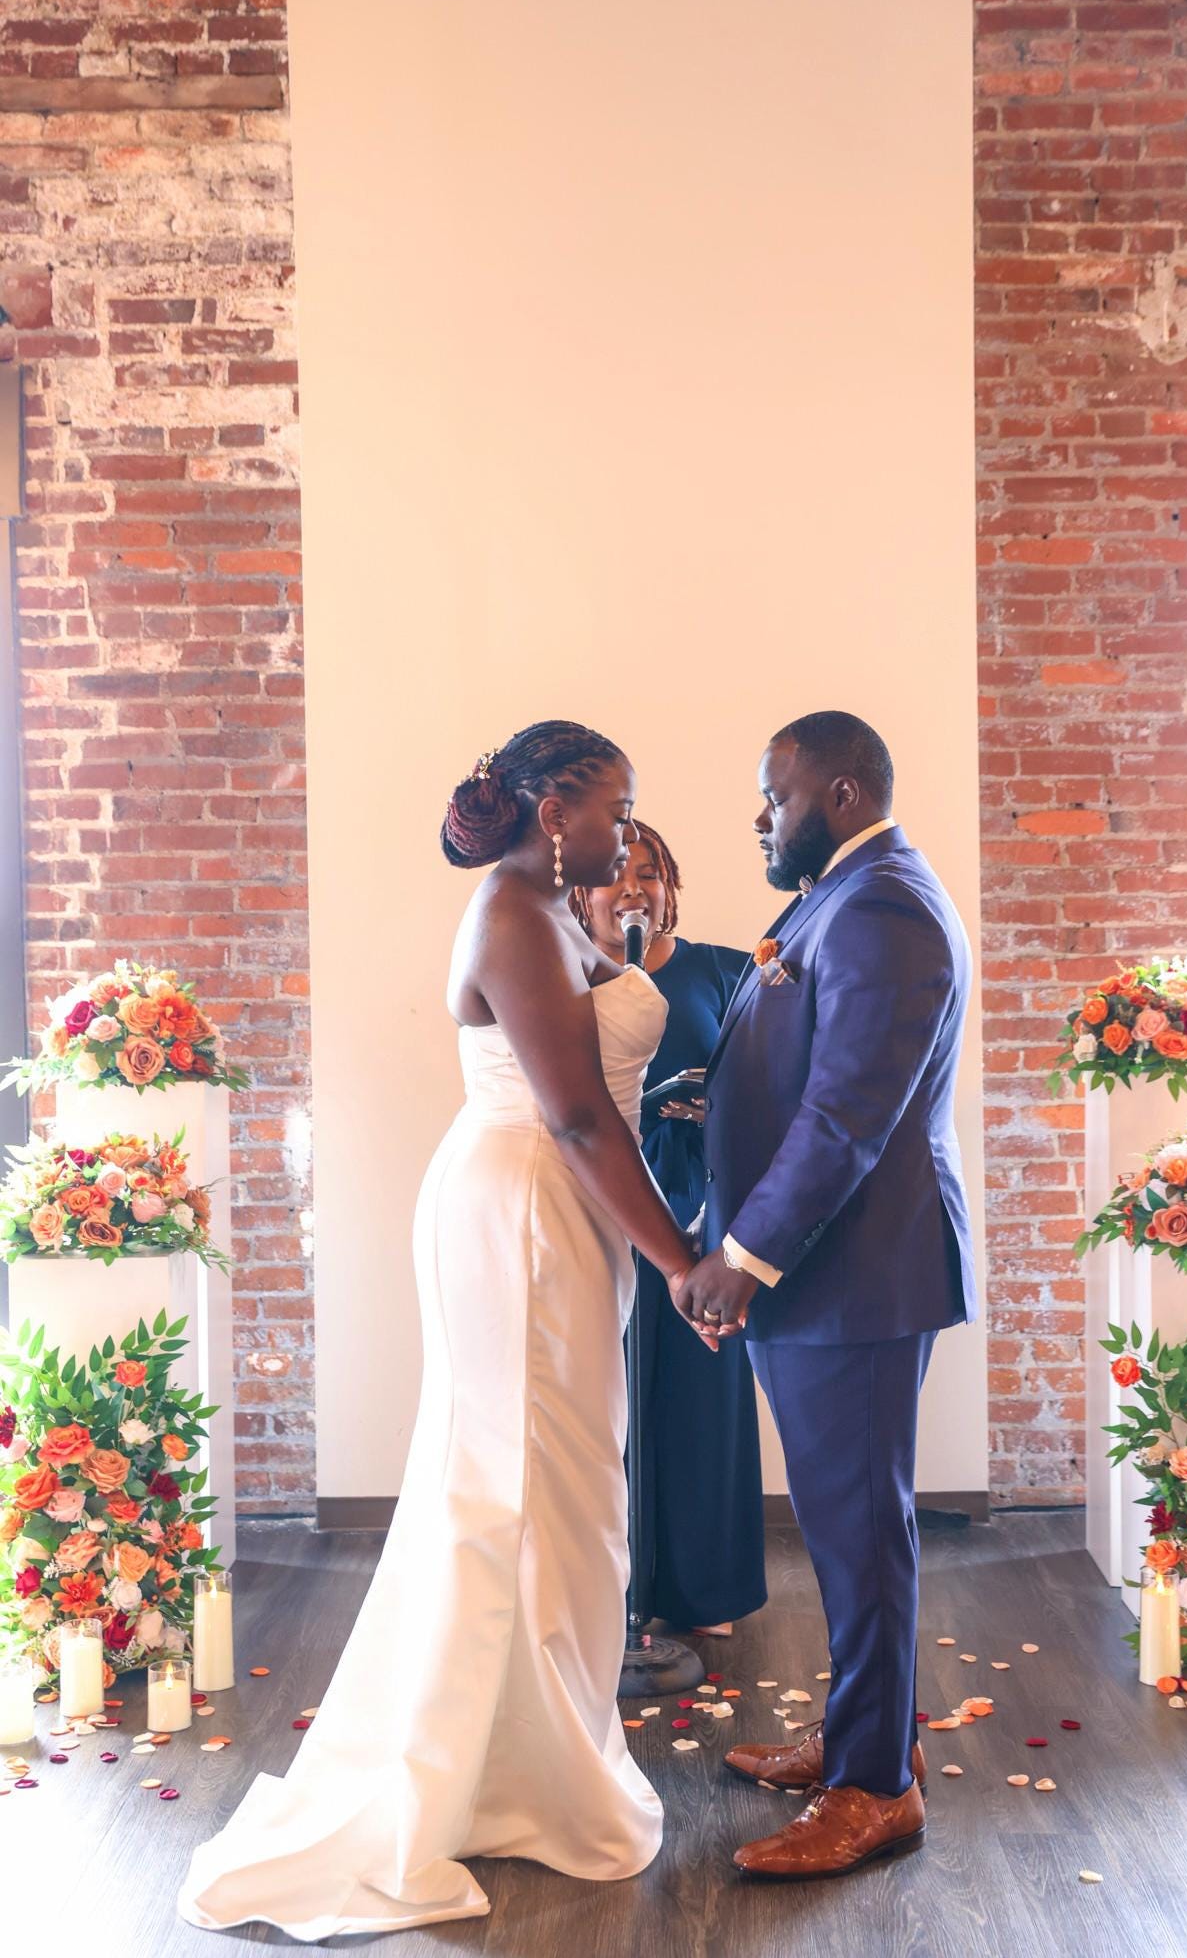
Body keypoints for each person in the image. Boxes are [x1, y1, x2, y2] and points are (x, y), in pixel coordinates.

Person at [178, 721, 698, 1939]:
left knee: (561, 1498)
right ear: (552, 803)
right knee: (507, 1492)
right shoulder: (510, 916)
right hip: (518, 1207)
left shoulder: (558, 910)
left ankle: (530, 1762)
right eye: (615, 806)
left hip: (561, 1219)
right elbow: (575, 1116)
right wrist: (681, 1262)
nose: (626, 832)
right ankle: (481, 1779)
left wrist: (634, 952)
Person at [675, 710, 977, 1882]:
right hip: (825, 1275)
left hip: (849, 1273)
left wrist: (741, 1252)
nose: (762, 815)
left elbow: (850, 1109)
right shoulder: (837, 895)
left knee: (861, 1539)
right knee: (852, 1533)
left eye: (776, 795)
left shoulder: (886, 902)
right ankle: (864, 1738)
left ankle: (875, 1791)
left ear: (841, 793)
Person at [572, 823, 766, 1637]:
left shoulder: (724, 971)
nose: (633, 891)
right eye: (616, 876)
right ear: (581, 892)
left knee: (700, 1403)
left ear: (671, 887)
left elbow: (770, 1089)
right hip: (602, 1207)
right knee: (600, 1396)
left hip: (701, 1222)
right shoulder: (565, 978)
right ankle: (605, 1586)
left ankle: (701, 1590)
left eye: (648, 875)